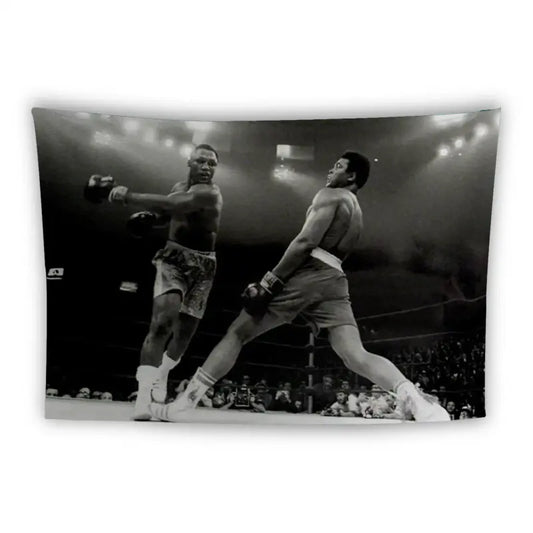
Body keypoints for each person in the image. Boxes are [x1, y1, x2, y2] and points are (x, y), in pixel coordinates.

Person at [151, 151, 449, 422]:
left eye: (338, 166)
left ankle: (184, 403)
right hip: (335, 280)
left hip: (309, 272)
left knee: (238, 332)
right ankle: (420, 404)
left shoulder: (329, 195)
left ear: (352, 176)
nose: (331, 170)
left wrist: (270, 280)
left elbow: (305, 242)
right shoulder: (356, 209)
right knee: (354, 355)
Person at [85, 144, 222, 420]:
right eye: (201, 161)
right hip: (173, 258)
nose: (206, 168)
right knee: (161, 323)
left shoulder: (210, 192)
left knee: (183, 337)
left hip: (204, 266)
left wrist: (129, 196)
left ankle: (162, 374)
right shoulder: (178, 186)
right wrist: (150, 220)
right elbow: (167, 214)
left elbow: (176, 205)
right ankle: (143, 398)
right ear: (189, 162)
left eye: (211, 164)